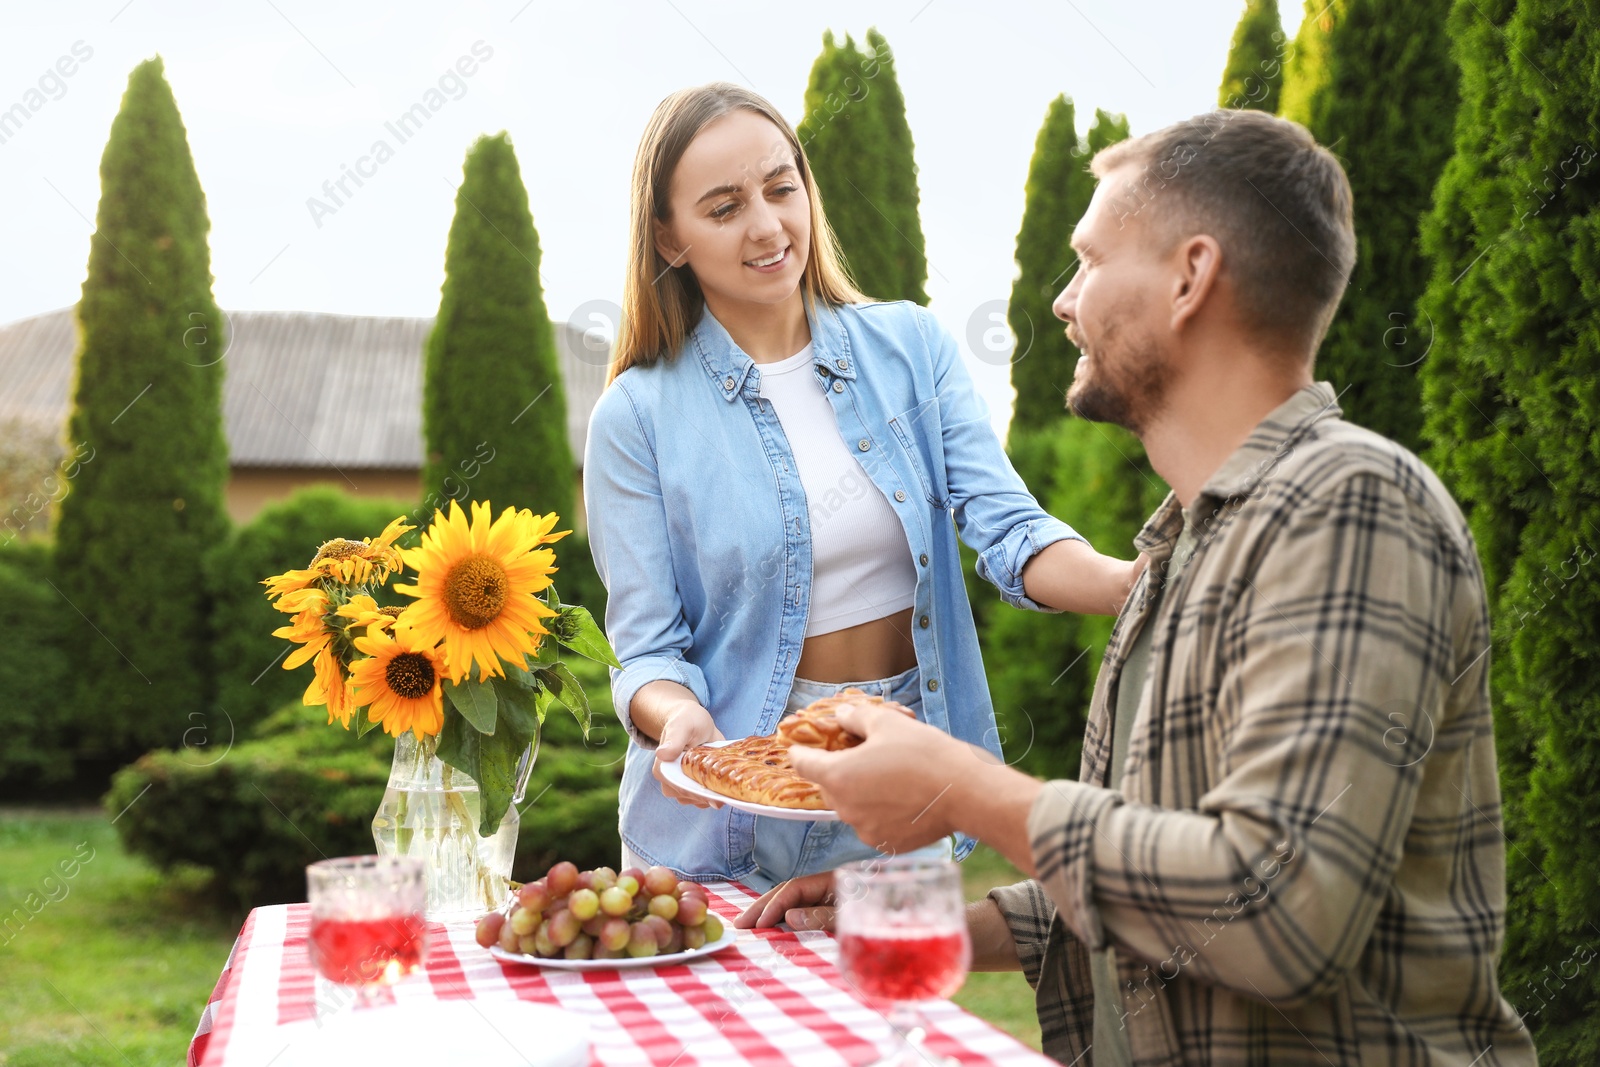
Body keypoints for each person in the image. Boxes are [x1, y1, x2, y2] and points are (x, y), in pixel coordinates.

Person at [739, 109, 1538, 1065]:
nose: (1064, 300)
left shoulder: (1352, 506)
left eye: (1088, 260)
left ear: (1191, 276)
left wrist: (962, 789)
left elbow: (1275, 909)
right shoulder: (1183, 546)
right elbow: (1170, 874)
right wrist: (946, 919)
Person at [583, 82, 1141, 893]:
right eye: (724, 207)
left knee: (898, 1017)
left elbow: (1012, 532)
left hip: (899, 777)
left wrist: (1135, 584)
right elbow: (647, 651)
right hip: (728, 809)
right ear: (669, 237)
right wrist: (682, 720)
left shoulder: (911, 346)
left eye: (782, 188)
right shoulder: (636, 415)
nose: (769, 226)